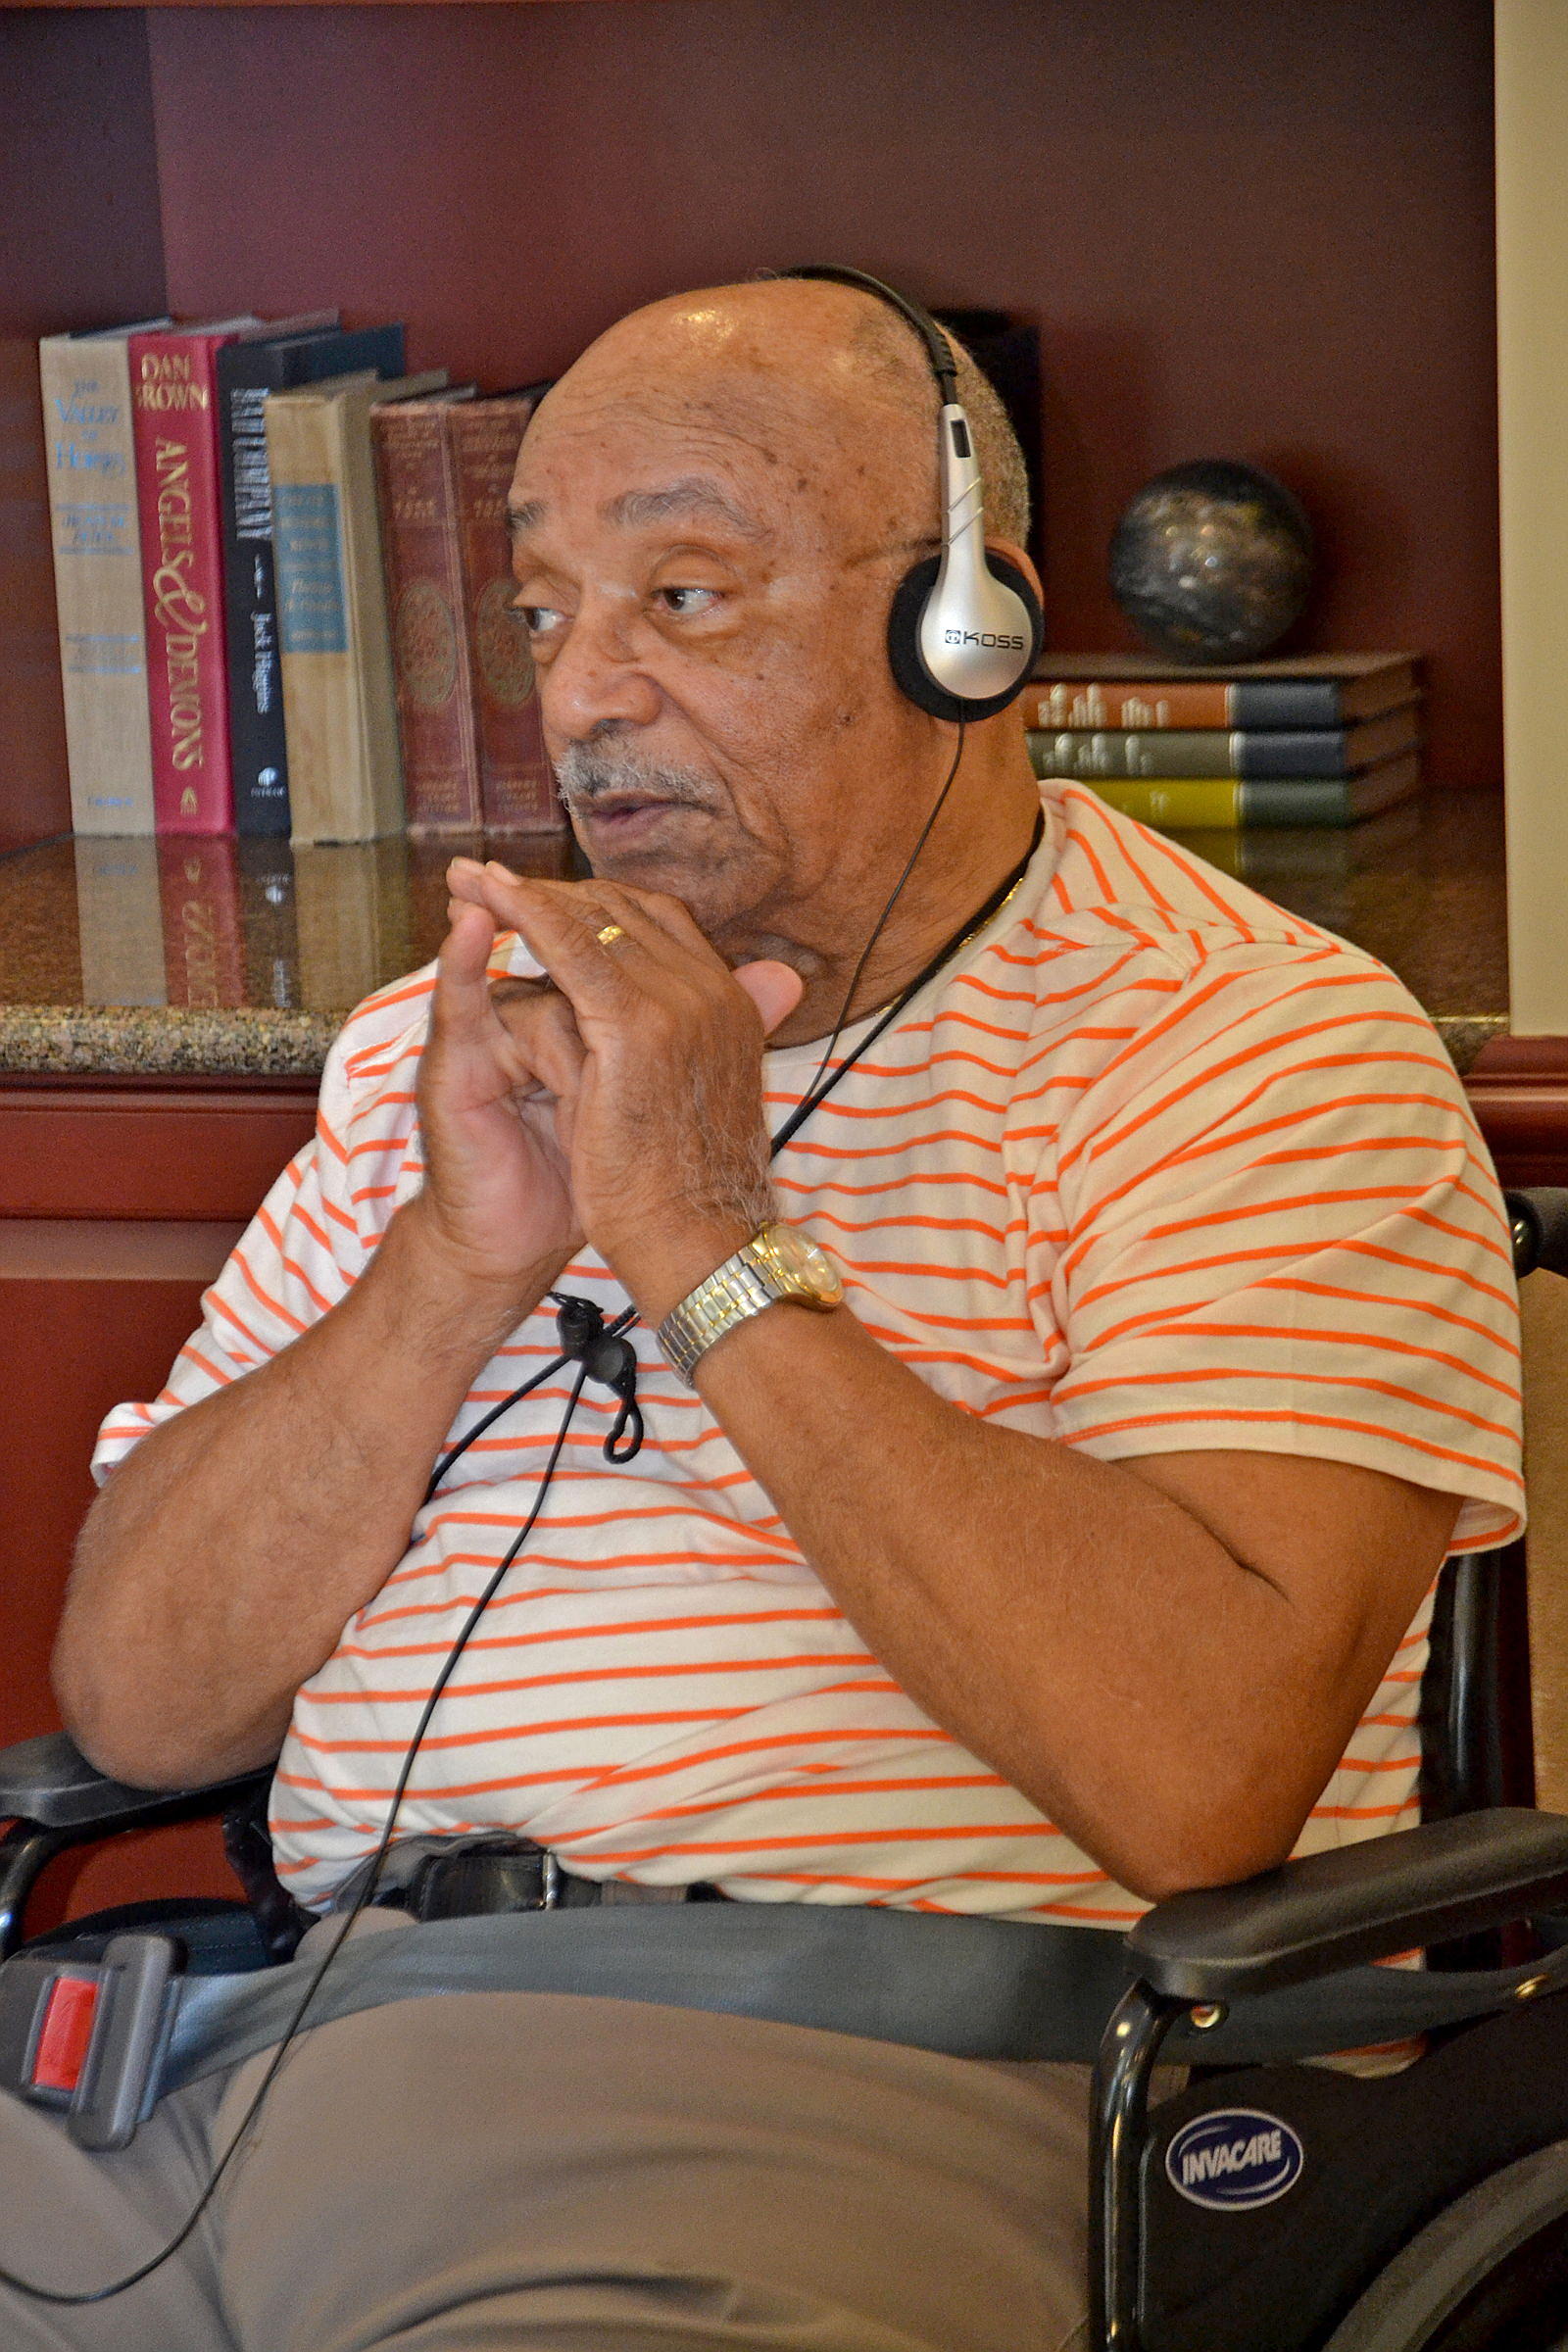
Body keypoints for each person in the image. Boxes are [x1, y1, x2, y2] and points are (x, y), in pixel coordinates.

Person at [4, 274, 1522, 2351]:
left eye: (687, 596)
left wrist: (703, 1236)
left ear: (963, 627)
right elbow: (141, 1709)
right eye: (544, 611)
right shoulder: (427, 1052)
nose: (582, 696)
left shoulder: (1250, 1051)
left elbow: (1197, 1778)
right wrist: (450, 1266)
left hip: (842, 2085)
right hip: (246, 2065)